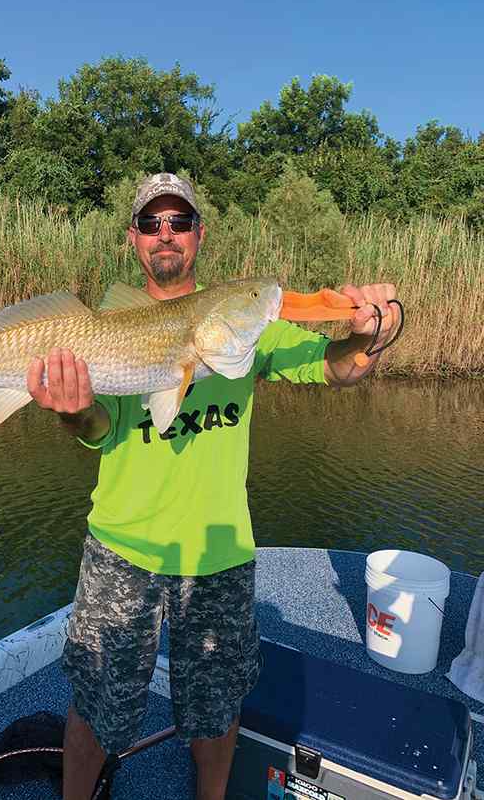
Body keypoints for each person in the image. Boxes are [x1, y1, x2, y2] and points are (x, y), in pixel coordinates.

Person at [26, 172, 398, 800]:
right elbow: (98, 430)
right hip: (121, 547)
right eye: (151, 223)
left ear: (200, 234)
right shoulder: (108, 322)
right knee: (94, 706)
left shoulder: (241, 325)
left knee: (216, 711)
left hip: (217, 555)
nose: (165, 234)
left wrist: (378, 331)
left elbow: (335, 365)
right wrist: (72, 408)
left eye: (179, 221)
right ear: (134, 239)